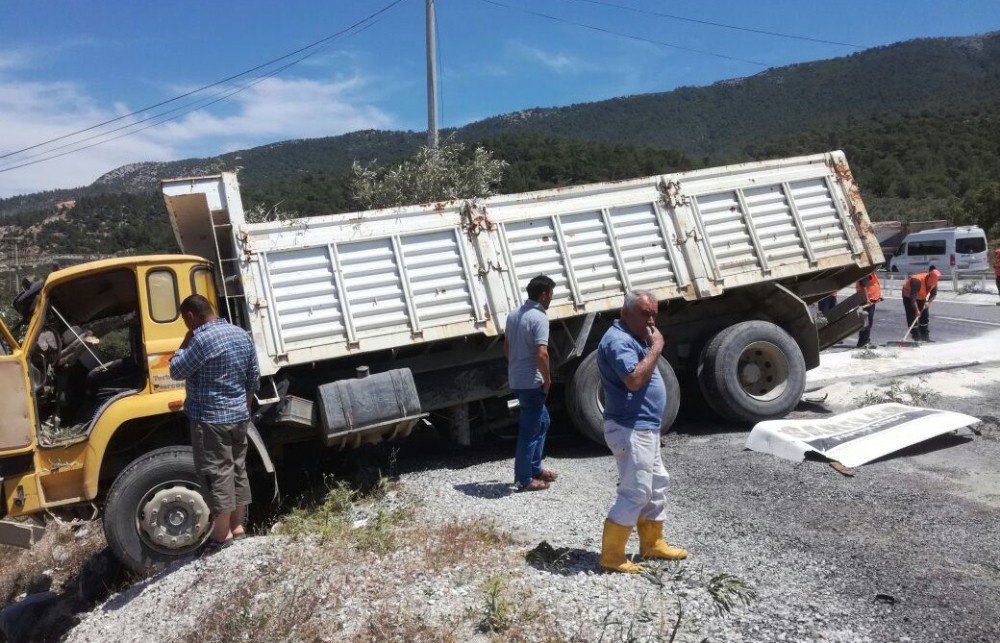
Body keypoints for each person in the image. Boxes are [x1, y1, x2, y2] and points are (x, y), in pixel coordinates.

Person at [596, 291, 687, 574]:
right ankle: (611, 556)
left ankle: (652, 544)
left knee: (658, 482)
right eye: (645, 314)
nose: (651, 321)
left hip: (644, 427)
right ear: (625, 314)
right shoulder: (619, 341)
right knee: (635, 491)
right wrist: (657, 346)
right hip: (630, 428)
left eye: (654, 314)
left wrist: (650, 344)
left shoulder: (634, 336)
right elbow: (634, 380)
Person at [169, 295, 260, 550]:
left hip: (210, 420)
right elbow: (253, 379)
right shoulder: (241, 334)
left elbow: (176, 370)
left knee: (217, 474)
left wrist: (185, 341)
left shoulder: (200, 339)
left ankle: (221, 536)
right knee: (238, 470)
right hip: (239, 415)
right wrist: (245, 408)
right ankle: (237, 527)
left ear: (190, 317)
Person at [504, 275, 557, 492]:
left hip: (517, 379)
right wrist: (548, 379)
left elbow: (506, 348)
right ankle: (524, 479)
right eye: (551, 294)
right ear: (543, 294)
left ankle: (535, 468)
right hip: (531, 382)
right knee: (530, 429)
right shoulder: (539, 317)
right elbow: (542, 354)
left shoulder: (514, 315)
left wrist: (517, 367)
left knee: (542, 422)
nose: (551, 299)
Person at [901, 266, 941, 342]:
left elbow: (933, 294)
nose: (932, 284)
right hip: (908, 296)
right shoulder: (916, 280)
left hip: (921, 296)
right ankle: (916, 337)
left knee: (924, 315)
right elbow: (913, 298)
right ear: (929, 276)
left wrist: (928, 302)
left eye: (934, 282)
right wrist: (916, 310)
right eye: (931, 281)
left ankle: (925, 336)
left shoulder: (934, 281)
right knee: (912, 316)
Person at [855, 272, 882, 348]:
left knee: (867, 322)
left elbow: (875, 284)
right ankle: (864, 341)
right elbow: (863, 286)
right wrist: (867, 299)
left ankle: (863, 341)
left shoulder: (872, 272)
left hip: (870, 301)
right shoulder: (867, 272)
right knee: (867, 322)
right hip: (866, 301)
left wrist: (879, 296)